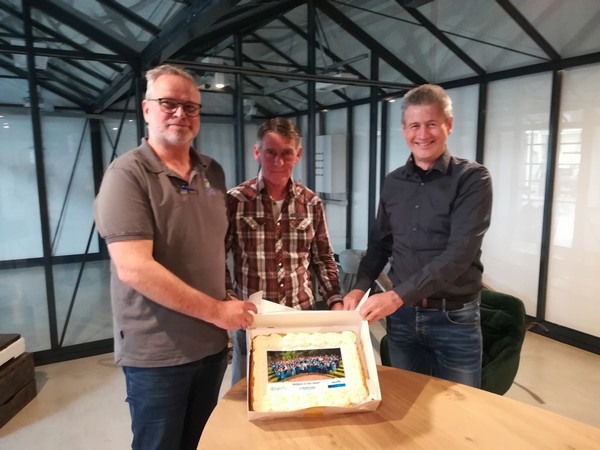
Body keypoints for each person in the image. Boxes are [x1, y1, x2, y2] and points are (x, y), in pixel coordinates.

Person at [93, 64, 257, 450]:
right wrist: (217, 312)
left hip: (211, 346)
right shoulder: (127, 175)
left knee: (198, 441)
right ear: (147, 109)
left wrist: (226, 300)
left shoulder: (212, 172)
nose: (180, 114)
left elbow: (209, 248)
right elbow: (134, 268)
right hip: (158, 354)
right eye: (169, 103)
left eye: (191, 106)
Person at [343, 84, 493, 388]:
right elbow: (380, 245)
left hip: (454, 319)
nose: (422, 134)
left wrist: (396, 296)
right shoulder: (393, 182)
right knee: (405, 400)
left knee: (463, 407)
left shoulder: (472, 179)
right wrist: (359, 288)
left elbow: (459, 254)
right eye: (414, 125)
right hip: (403, 319)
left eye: (431, 124)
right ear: (403, 130)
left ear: (449, 125)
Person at [226, 117, 343, 385]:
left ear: (298, 155)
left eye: (286, 153)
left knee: (299, 387)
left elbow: (323, 258)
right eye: (270, 152)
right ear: (257, 152)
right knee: (247, 391)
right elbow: (215, 258)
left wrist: (335, 300)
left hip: (299, 317)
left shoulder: (311, 203)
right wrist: (229, 299)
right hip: (253, 319)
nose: (278, 161)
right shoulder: (236, 201)